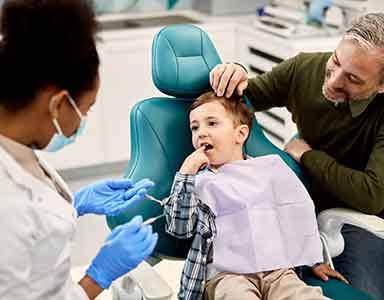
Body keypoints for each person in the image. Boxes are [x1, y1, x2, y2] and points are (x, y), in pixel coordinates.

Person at [209, 13, 384, 299]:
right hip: (301, 205)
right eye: (336, 61)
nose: (334, 81)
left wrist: (307, 156)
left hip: (362, 218)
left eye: (352, 78)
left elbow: (372, 195)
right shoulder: (305, 68)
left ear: (381, 86)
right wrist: (236, 72)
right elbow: (241, 100)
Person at [0, 1, 157, 299]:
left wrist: (74, 204)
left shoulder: (14, 144)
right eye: (85, 109)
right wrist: (98, 277)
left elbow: (33, 225)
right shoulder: (6, 206)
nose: (82, 122)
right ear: (58, 104)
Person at [164, 91, 347, 300]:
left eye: (212, 123)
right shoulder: (198, 182)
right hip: (226, 276)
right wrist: (186, 173)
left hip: (278, 271)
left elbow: (295, 215)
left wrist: (314, 259)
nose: (201, 133)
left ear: (240, 134)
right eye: (195, 128)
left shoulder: (270, 170)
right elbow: (179, 229)